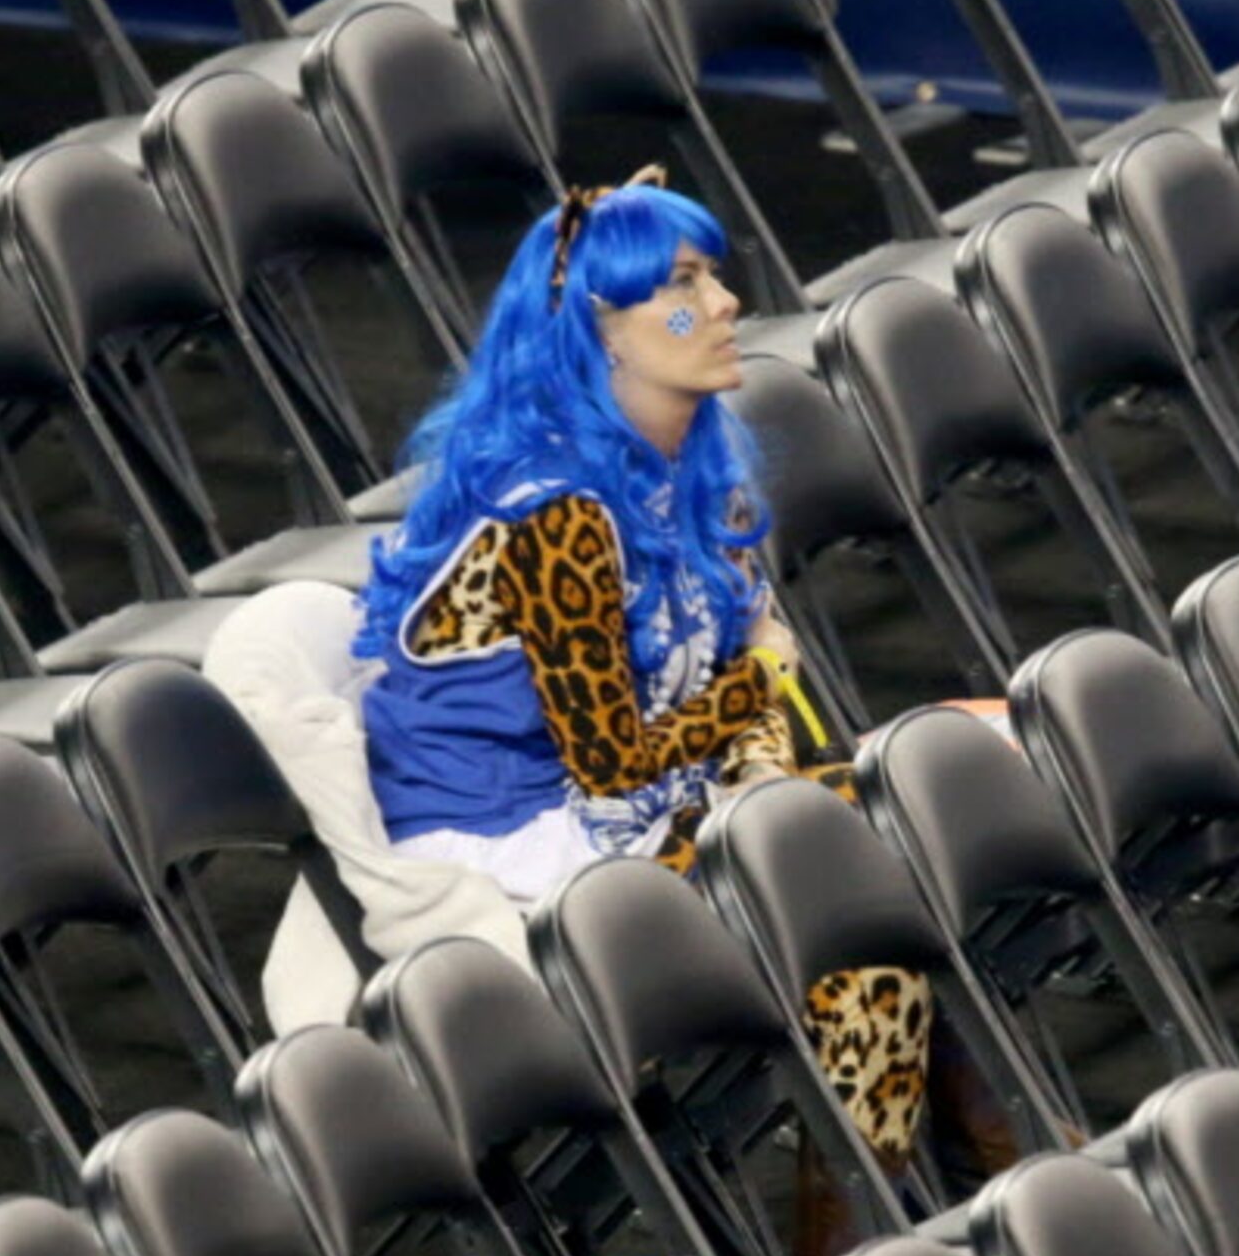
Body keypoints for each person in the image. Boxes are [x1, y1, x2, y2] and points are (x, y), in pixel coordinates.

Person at [345, 170, 938, 1182]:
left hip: (628, 806)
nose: (724, 304)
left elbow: (723, 678)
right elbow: (618, 762)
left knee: (902, 820)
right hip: (509, 848)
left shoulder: (683, 476)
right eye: (685, 285)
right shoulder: (558, 514)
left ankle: (943, 1192)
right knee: (861, 892)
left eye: (713, 278)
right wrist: (755, 689)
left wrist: (756, 746)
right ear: (604, 333)